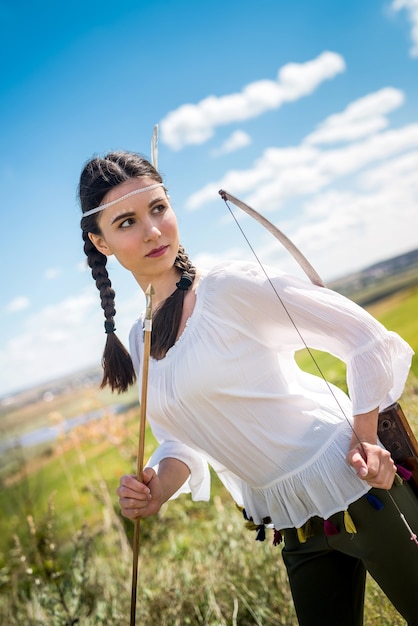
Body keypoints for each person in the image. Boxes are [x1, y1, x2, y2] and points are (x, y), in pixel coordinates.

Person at [79, 150, 418, 626]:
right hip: (294, 522)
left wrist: (366, 436)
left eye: (158, 208)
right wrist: (158, 489)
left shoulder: (226, 289)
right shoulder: (139, 340)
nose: (153, 230)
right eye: (128, 221)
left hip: (361, 486)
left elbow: (362, 337)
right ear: (102, 242)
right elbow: (182, 441)